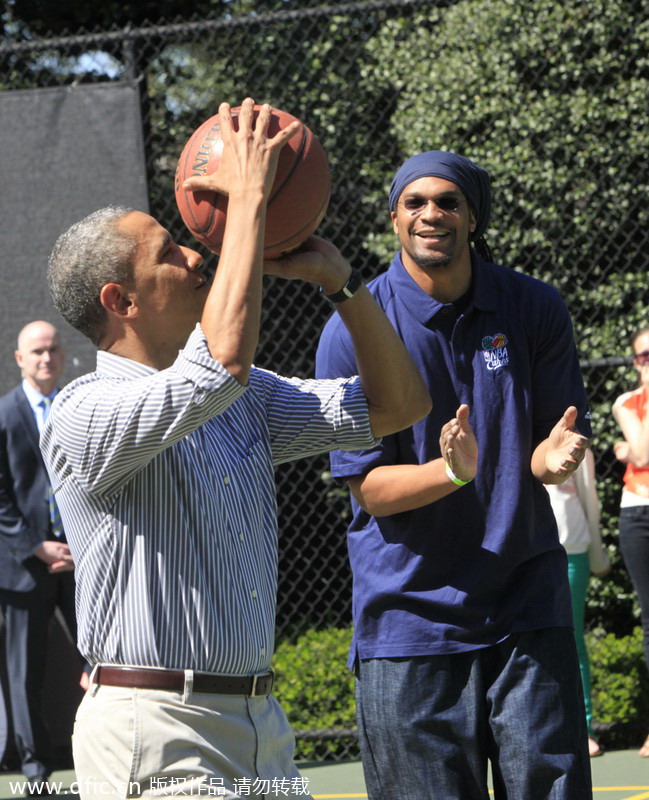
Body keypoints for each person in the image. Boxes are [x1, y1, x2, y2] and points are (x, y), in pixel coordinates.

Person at [40, 99, 431, 799]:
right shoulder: (81, 413)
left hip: (260, 723)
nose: (195, 253)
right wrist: (248, 197)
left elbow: (399, 406)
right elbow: (216, 367)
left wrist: (340, 285)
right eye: (169, 252)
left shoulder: (242, 398)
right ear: (120, 301)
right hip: (155, 726)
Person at [316, 150, 593, 799]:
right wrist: (450, 471)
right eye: (414, 202)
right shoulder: (353, 329)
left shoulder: (532, 308)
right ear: (393, 219)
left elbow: (548, 439)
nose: (430, 214)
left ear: (472, 217)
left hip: (524, 605)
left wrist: (549, 461)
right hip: (408, 622)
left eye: (447, 201)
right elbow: (372, 492)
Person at [0, 320, 80, 794]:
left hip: (79, 559)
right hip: (24, 565)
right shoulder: (6, 416)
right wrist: (37, 543)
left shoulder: (75, 408)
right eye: (36, 352)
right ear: (20, 359)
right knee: (23, 669)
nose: (46, 358)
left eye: (52, 350)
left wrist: (79, 544)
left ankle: (111, 749)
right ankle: (35, 769)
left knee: (102, 652)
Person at [544, 448, 611, 758]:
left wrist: (597, 552)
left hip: (573, 553)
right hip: (527, 554)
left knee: (571, 640)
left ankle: (584, 729)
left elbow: (589, 500)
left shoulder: (577, 444)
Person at [613, 326, 649, 757]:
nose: (647, 364)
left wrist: (631, 447)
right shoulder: (625, 402)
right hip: (638, 513)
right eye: (642, 357)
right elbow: (641, 454)